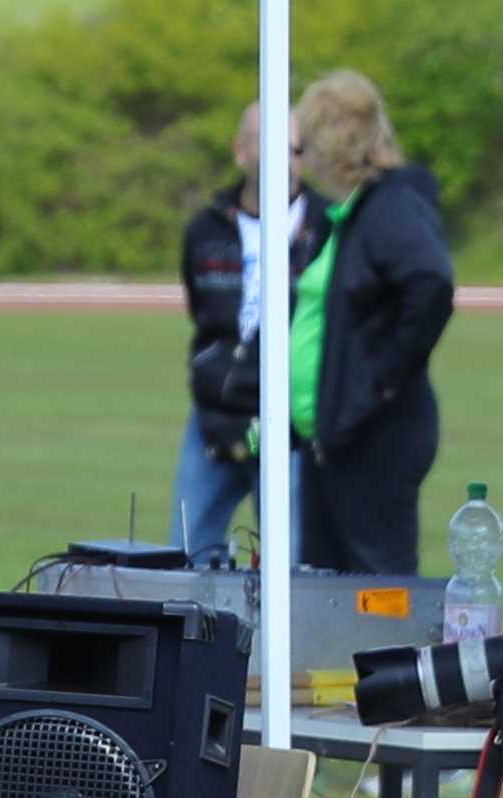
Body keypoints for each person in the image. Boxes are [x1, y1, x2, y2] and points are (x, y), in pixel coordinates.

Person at [288, 71, 454, 574]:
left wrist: (379, 381)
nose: (301, 154)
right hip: (335, 438)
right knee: (325, 590)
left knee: (378, 593)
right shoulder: (351, 212)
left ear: (332, 141)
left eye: (306, 142)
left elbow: (431, 283)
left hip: (373, 436)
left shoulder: (389, 207)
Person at [175, 102, 319, 567]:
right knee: (184, 558)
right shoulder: (205, 229)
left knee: (290, 566)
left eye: (295, 149)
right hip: (213, 420)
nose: (286, 160)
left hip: (287, 425)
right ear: (241, 151)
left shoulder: (325, 227)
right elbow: (202, 310)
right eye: (271, 146)